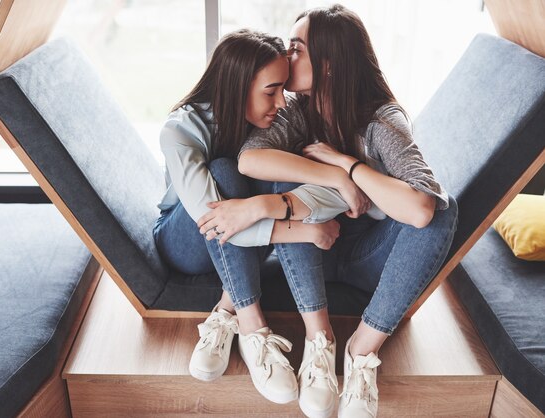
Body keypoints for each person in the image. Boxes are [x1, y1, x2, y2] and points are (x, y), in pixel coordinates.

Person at [204, 5, 458, 418]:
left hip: (368, 257)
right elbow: (250, 160)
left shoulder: (381, 121)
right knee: (285, 172)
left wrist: (348, 165)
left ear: (329, 65)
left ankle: (361, 352)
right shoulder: (297, 112)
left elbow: (421, 209)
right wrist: (333, 178)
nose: (288, 57)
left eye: (298, 48)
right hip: (308, 247)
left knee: (444, 205)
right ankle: (318, 343)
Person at [153, 29, 354, 409]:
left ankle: (226, 311)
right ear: (236, 86)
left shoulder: (273, 124)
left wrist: (337, 178)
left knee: (285, 172)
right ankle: (252, 326)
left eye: (284, 90)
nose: (281, 101)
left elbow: (327, 197)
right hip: (186, 238)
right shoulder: (180, 130)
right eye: (271, 91)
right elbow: (217, 223)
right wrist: (306, 232)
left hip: (249, 233)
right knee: (225, 172)